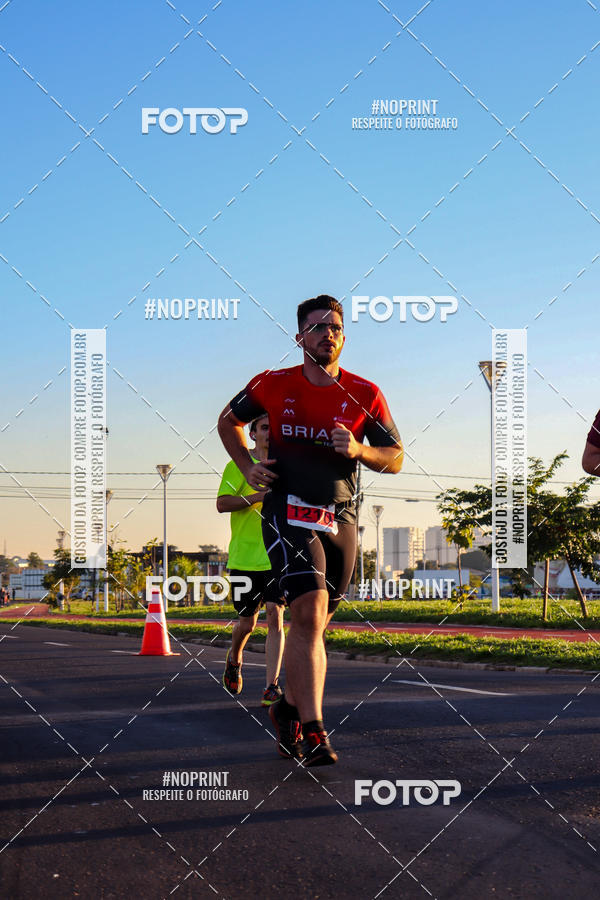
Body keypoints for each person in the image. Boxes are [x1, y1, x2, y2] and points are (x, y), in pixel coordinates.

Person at [217, 294, 403, 766]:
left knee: (317, 623)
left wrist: (361, 451)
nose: (328, 334)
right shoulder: (271, 385)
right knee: (307, 611)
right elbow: (228, 421)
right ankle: (316, 730)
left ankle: (288, 710)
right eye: (318, 327)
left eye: (336, 327)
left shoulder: (365, 392)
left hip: (341, 517)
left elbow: (396, 457)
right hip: (288, 510)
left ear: (344, 336)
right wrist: (247, 463)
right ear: (300, 337)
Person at [217, 414, 286, 706]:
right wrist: (256, 497)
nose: (270, 433)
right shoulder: (237, 468)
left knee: (275, 616)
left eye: (275, 428)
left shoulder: (286, 468)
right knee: (247, 623)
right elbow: (222, 504)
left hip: (277, 556)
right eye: (265, 428)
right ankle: (235, 657)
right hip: (245, 557)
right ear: (253, 433)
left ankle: (272, 686)